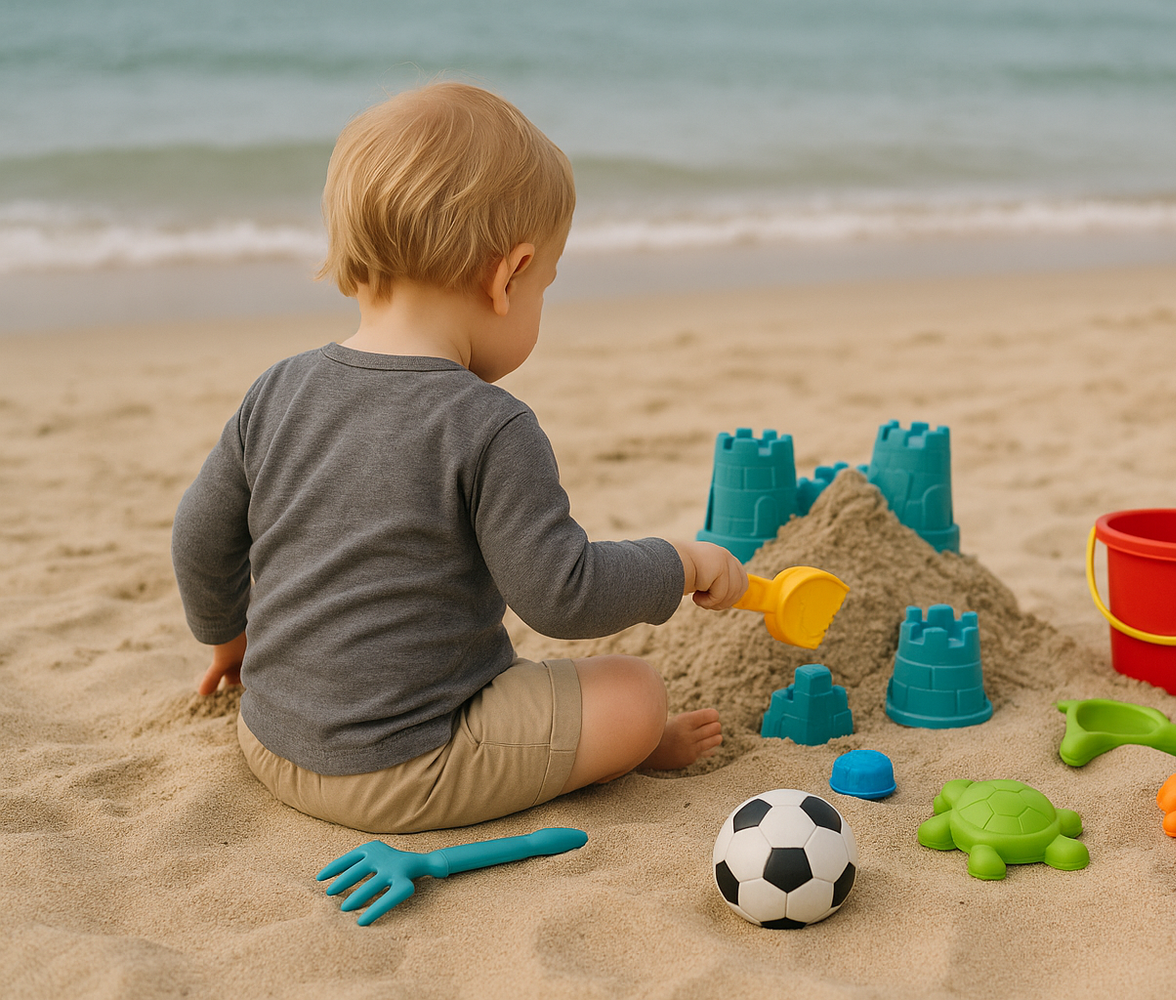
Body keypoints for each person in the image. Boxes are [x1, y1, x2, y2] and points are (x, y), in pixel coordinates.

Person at [171, 81, 747, 834]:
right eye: (544, 286)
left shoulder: (276, 389)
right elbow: (562, 596)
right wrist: (681, 561)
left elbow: (199, 539)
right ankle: (617, 753)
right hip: (404, 768)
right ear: (508, 278)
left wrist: (230, 640)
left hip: (271, 741)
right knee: (636, 693)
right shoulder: (489, 424)